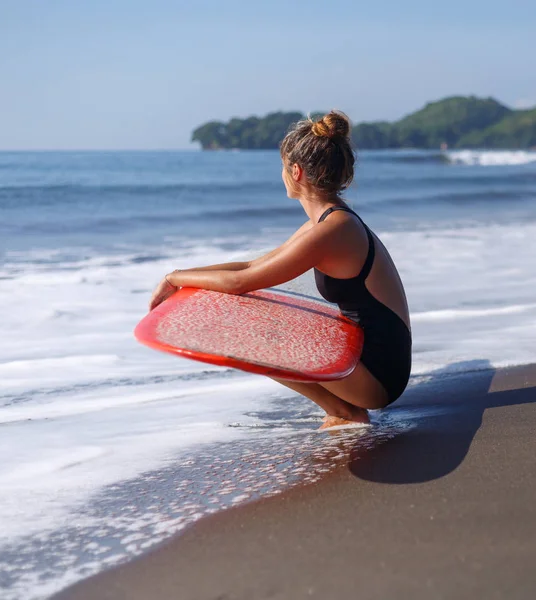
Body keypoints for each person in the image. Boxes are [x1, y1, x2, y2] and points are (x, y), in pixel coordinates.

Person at [149, 111, 412, 429]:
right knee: (259, 318)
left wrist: (172, 278)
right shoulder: (330, 221)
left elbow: (240, 282)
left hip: (379, 377)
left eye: (283, 167)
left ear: (296, 172)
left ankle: (345, 411)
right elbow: (250, 266)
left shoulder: (332, 230)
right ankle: (343, 406)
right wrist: (182, 274)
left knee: (249, 337)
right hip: (370, 360)